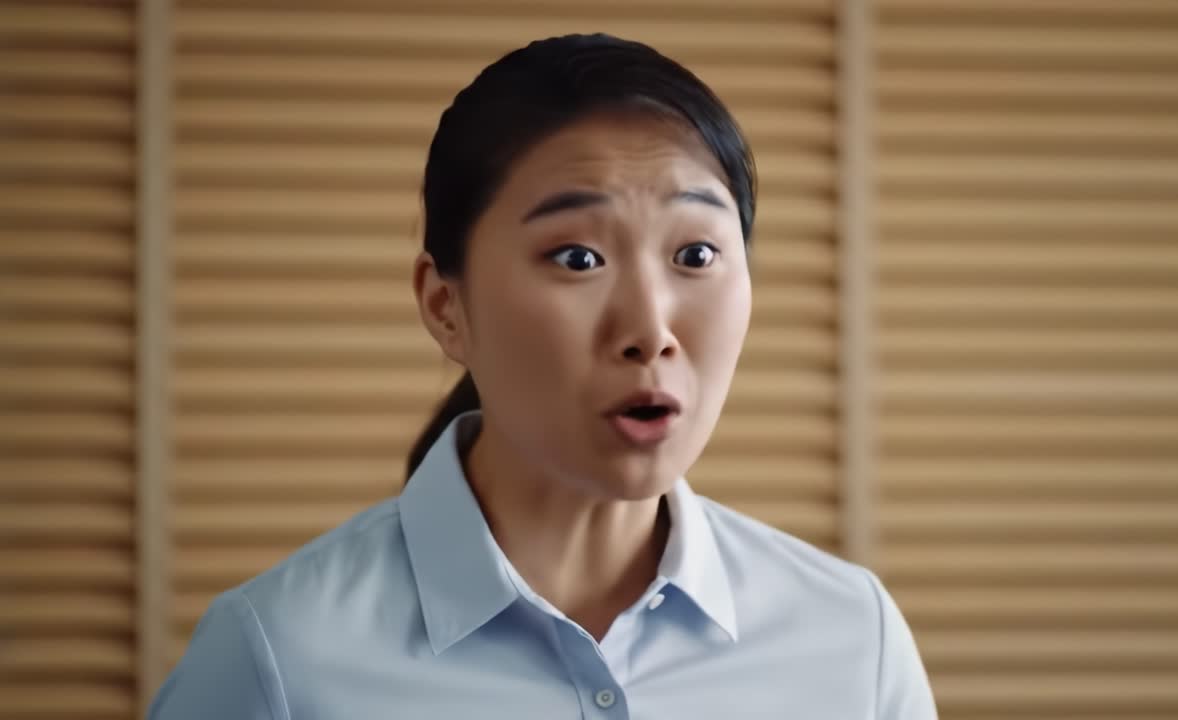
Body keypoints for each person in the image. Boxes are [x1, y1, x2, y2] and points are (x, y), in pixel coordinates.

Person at [148, 33, 936, 719]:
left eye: (694, 256)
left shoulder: (850, 638)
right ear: (445, 306)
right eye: (577, 258)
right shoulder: (278, 659)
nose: (649, 331)